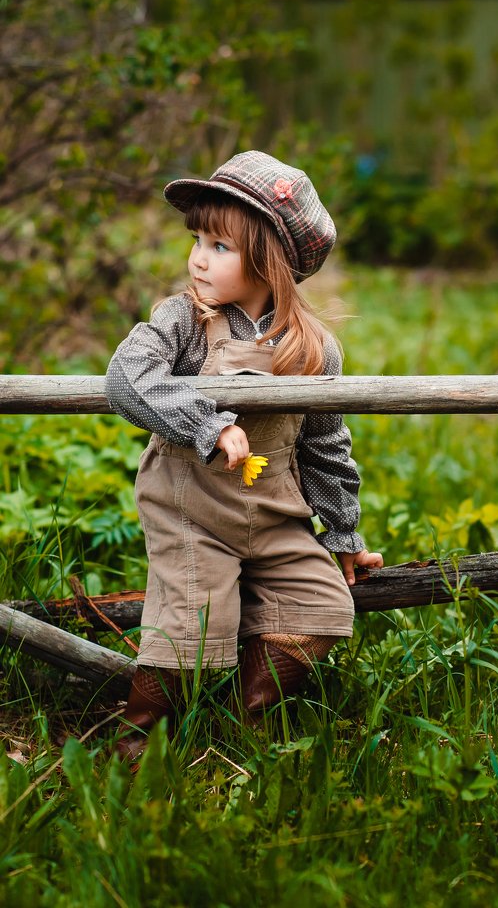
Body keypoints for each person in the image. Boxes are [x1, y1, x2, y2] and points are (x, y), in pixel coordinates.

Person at [105, 150, 383, 757]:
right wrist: (206, 424)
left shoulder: (313, 347)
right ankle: (133, 747)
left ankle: (240, 726)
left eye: (220, 246)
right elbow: (126, 377)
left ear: (270, 261)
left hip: (275, 514)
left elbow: (325, 445)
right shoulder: (182, 321)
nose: (199, 259)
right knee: (192, 621)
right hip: (192, 511)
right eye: (197, 240)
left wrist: (342, 531)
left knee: (320, 603)